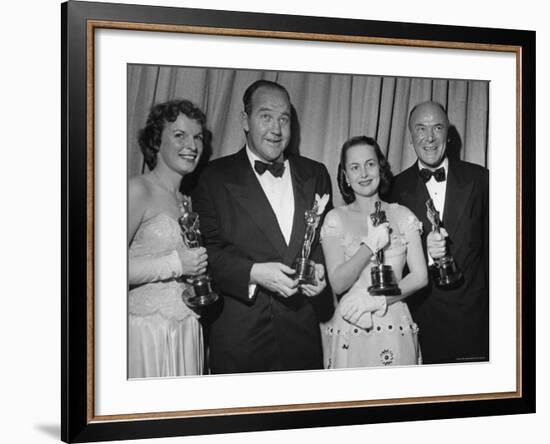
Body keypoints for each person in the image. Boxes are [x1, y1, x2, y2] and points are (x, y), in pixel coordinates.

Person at [192, 80, 334, 374]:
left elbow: (321, 240)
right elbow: (205, 253)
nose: (276, 129)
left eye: (284, 118)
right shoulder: (212, 177)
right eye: (266, 116)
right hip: (240, 338)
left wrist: (319, 270)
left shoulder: (315, 173)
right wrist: (254, 273)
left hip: (302, 336)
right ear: (245, 120)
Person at [390, 101, 489, 364]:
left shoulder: (481, 180)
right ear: (411, 137)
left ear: (448, 134)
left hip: (475, 324)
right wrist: (428, 256)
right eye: (421, 129)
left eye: (437, 127)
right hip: (420, 322)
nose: (430, 137)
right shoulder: (394, 189)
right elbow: (391, 261)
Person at [320, 136, 427, 368]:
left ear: (380, 167)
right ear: (346, 177)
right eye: (354, 168)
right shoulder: (335, 219)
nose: (364, 174)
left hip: (395, 322)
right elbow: (338, 283)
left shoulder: (403, 215)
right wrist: (369, 245)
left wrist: (377, 301)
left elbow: (420, 277)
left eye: (370, 164)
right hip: (352, 326)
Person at [128, 99, 210, 378]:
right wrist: (177, 265)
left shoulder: (187, 201)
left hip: (187, 330)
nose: (193, 145)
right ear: (156, 142)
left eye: (197, 136)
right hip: (146, 332)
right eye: (179, 135)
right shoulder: (138, 190)